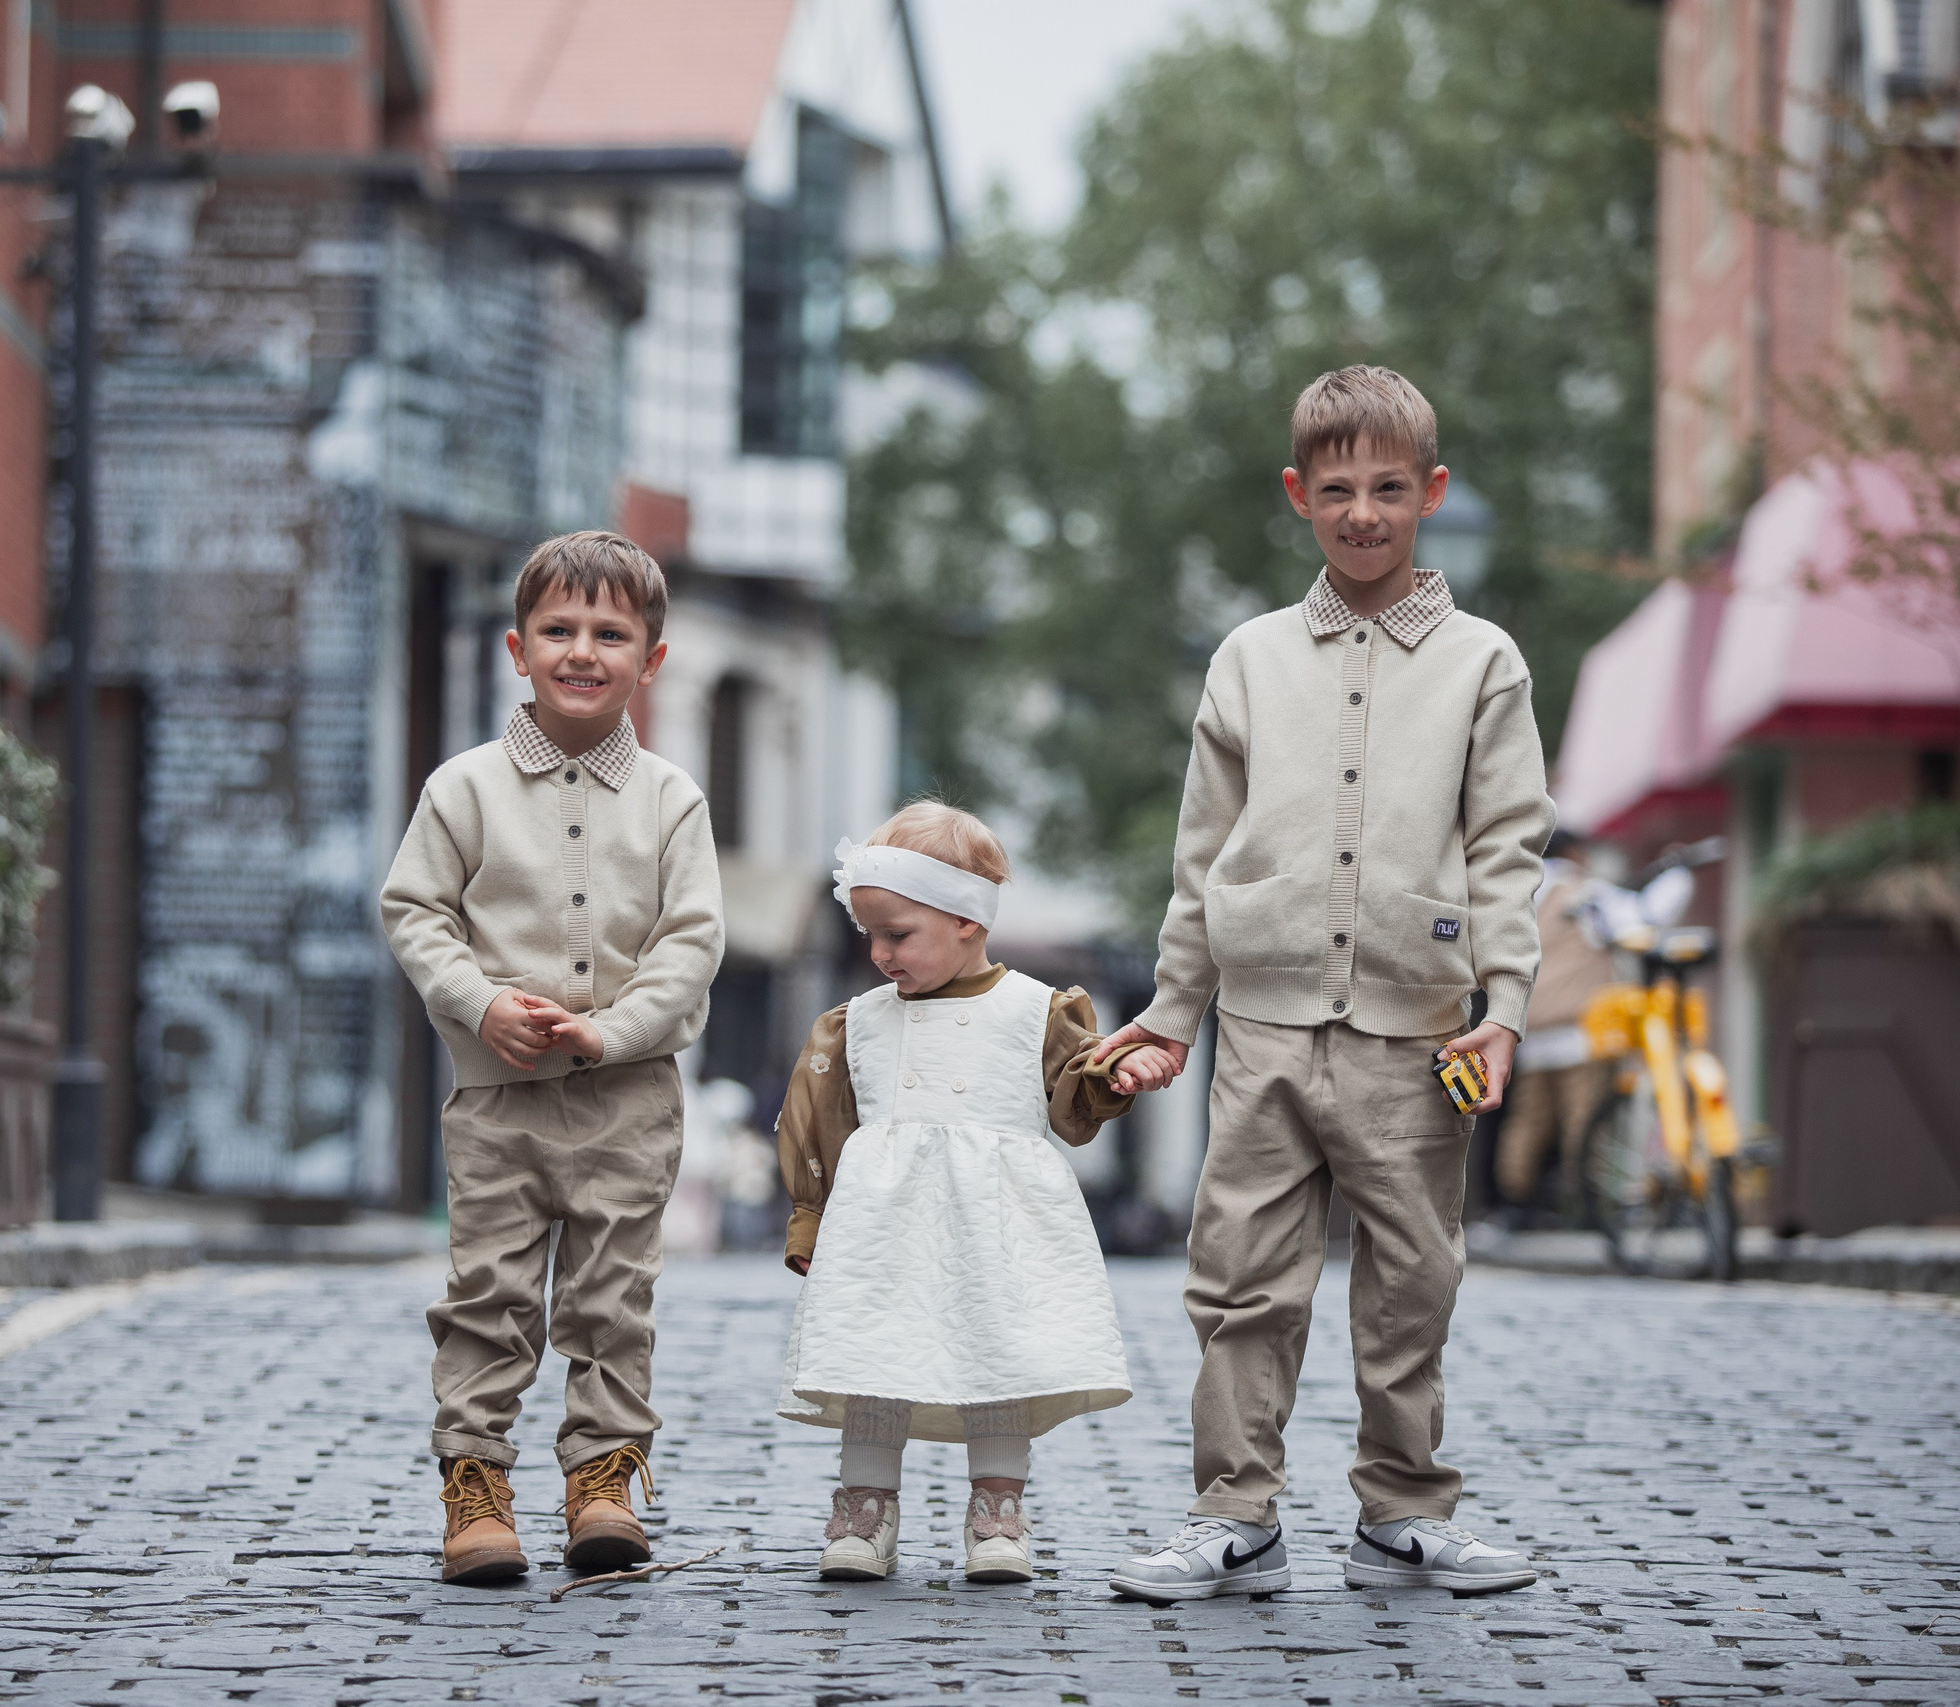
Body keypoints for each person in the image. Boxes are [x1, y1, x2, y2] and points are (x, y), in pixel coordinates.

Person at [1096, 366, 1554, 1601]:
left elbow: (1512, 848)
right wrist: (1171, 1012)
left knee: (1413, 1278)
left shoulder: (1483, 663)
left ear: (1430, 493)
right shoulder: (1247, 660)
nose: (1363, 512)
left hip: (1418, 1037)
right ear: (1298, 495)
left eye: (1390, 489)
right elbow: (1203, 857)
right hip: (1258, 1029)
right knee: (1241, 1275)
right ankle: (1232, 1516)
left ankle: (1401, 1511)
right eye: (1337, 489)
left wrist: (1502, 1011)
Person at [378, 530, 725, 1585]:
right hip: (497, 1101)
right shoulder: (463, 789)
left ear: (649, 661)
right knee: (485, 1293)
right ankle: (473, 1485)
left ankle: (604, 1484)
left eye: (610, 633)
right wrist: (479, 1006)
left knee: (612, 1298)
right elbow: (415, 913)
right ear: (516, 649)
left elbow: (691, 941)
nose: (583, 650)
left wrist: (613, 1029)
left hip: (629, 1100)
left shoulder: (671, 800)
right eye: (558, 630)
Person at [773, 803, 1177, 1585]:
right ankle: (866, 1504)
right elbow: (818, 1125)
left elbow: (1076, 1092)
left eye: (898, 933)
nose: (880, 953)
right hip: (884, 1229)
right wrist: (810, 1220)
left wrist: (1118, 1072)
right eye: (870, 935)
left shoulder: (1036, 1009)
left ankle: (998, 1506)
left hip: (997, 1225)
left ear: (966, 919)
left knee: (998, 1354)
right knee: (876, 1353)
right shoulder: (852, 1024)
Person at [1491, 831, 1619, 1220]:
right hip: (1580, 1031)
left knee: (1527, 1123)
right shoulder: (1584, 892)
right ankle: (1588, 1206)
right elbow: (1634, 923)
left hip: (1530, 1030)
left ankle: (1512, 1203)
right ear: (1576, 852)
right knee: (1583, 1120)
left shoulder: (1521, 895)